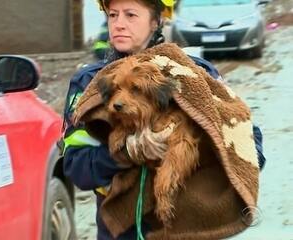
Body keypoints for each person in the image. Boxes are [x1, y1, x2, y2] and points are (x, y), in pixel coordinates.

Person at [62, 0, 266, 239]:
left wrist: (188, 150)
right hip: (122, 232)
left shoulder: (194, 74)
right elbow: (76, 168)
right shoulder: (89, 84)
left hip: (190, 229)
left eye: (130, 15)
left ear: (156, 21)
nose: (118, 24)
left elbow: (250, 148)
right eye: (113, 15)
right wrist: (124, 153)